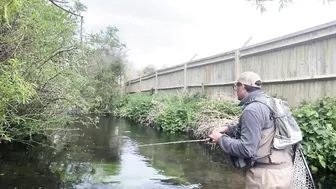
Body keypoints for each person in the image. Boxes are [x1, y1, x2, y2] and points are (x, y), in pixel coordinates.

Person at [209, 71, 294, 189]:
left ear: (242, 86)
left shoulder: (252, 110)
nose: (235, 90)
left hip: (265, 178)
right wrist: (229, 129)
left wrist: (221, 139)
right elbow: (262, 129)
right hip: (284, 172)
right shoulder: (270, 102)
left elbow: (246, 149)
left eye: (236, 86)